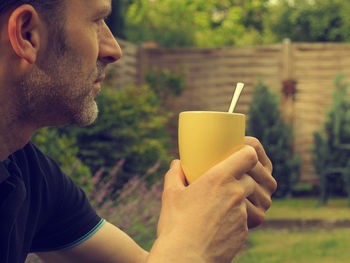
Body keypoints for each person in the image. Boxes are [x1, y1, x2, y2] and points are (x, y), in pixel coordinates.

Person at [0, 0, 277, 262]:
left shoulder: (25, 170)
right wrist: (191, 251)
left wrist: (203, 221)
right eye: (97, 20)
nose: (114, 49)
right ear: (27, 34)